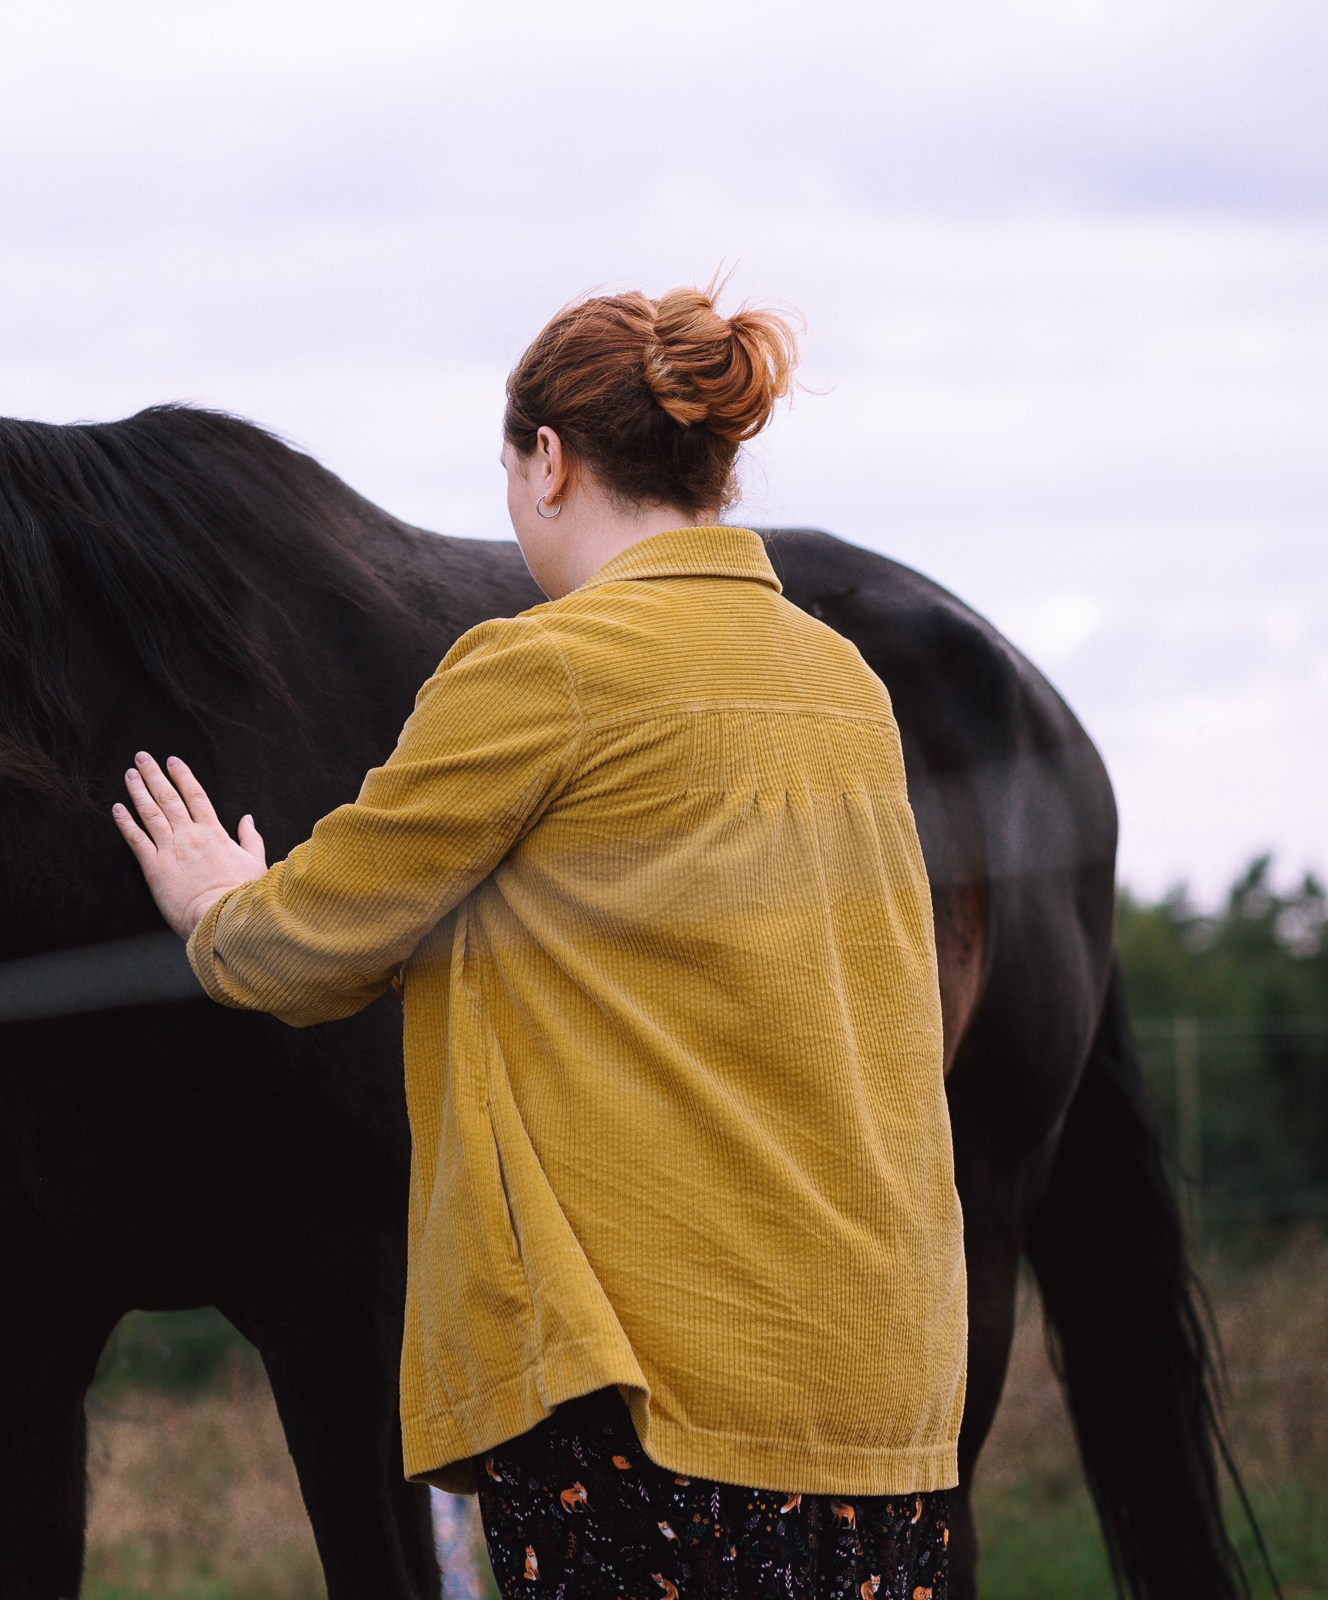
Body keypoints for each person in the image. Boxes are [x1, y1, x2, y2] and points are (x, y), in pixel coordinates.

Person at [111, 285, 966, 1600]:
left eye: (510, 475)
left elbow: (311, 945)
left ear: (549, 460)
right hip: (877, 1380)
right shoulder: (840, 681)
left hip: (650, 1388)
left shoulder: (544, 669)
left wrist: (219, 905)